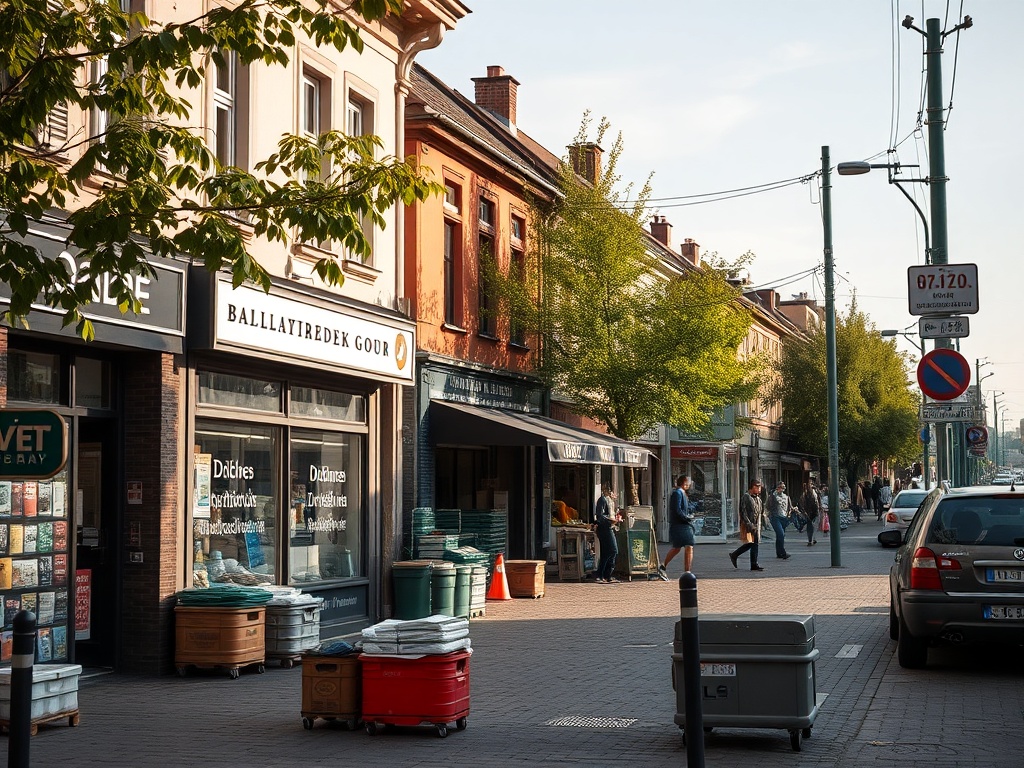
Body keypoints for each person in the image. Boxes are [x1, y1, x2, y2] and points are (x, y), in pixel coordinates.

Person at [661, 474, 695, 579]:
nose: (689, 484)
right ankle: (686, 571)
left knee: (681, 547)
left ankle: (665, 566)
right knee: (685, 546)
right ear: (683, 482)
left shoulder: (682, 493)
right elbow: (677, 509)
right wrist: (686, 517)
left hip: (682, 524)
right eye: (688, 482)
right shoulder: (677, 493)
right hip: (680, 525)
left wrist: (690, 515)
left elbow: (683, 508)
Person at [729, 478, 765, 571]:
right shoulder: (746, 496)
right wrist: (748, 523)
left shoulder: (758, 499)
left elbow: (760, 512)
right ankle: (735, 555)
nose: (759, 489)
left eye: (759, 487)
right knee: (750, 543)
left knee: (755, 544)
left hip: (756, 525)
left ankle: (754, 564)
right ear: (752, 487)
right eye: (757, 487)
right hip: (749, 525)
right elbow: (743, 512)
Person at [593, 483, 621, 583]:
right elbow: (600, 515)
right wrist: (610, 520)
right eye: (613, 493)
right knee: (612, 550)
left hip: (610, 527)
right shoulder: (603, 500)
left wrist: (616, 519)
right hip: (604, 528)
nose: (615, 495)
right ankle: (601, 574)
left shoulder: (611, 502)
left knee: (607, 552)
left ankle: (606, 575)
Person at [766, 480, 792, 559]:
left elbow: (789, 506)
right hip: (775, 517)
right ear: (777, 488)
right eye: (781, 487)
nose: (782, 489)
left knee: (780, 536)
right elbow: (768, 506)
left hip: (784, 517)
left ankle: (779, 553)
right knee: (781, 534)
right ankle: (783, 553)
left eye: (784, 488)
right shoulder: (773, 496)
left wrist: (790, 513)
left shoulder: (786, 497)